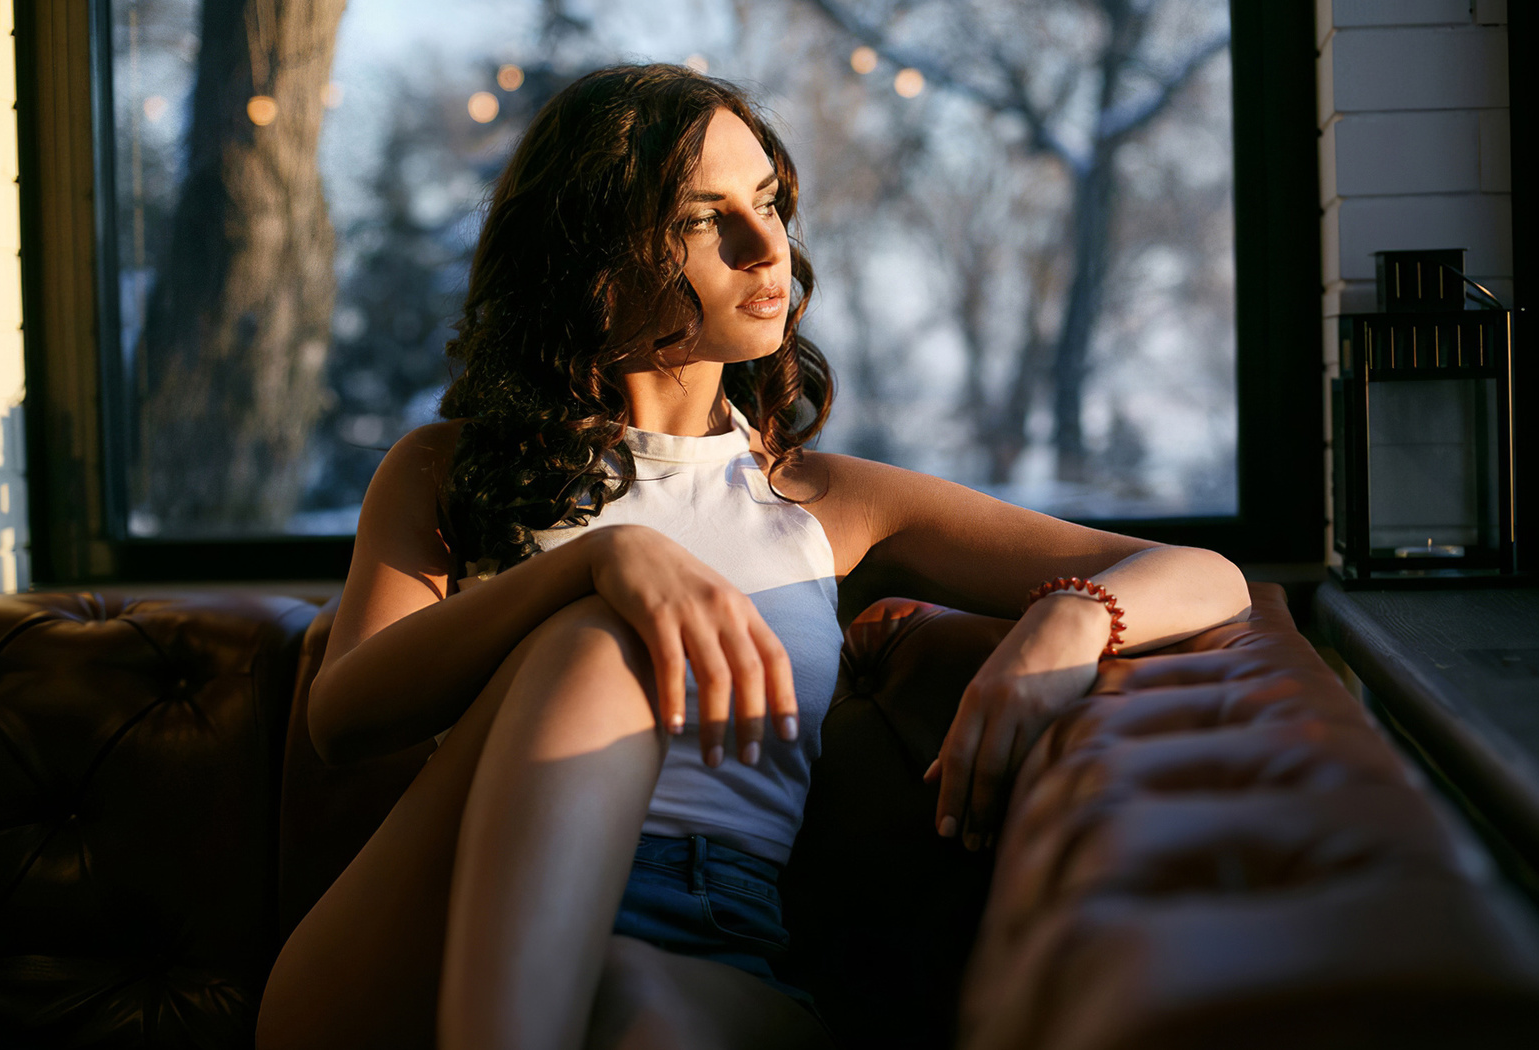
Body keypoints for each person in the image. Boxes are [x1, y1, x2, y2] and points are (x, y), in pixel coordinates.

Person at [255, 63, 1251, 1050]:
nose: (765, 245)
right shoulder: (448, 470)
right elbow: (342, 719)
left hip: (701, 941)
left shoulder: (823, 500)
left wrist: (1066, 622)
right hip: (425, 932)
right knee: (598, 646)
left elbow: (1210, 576)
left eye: (769, 202)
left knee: (629, 1006)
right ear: (592, 250)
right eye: (702, 217)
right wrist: (594, 565)